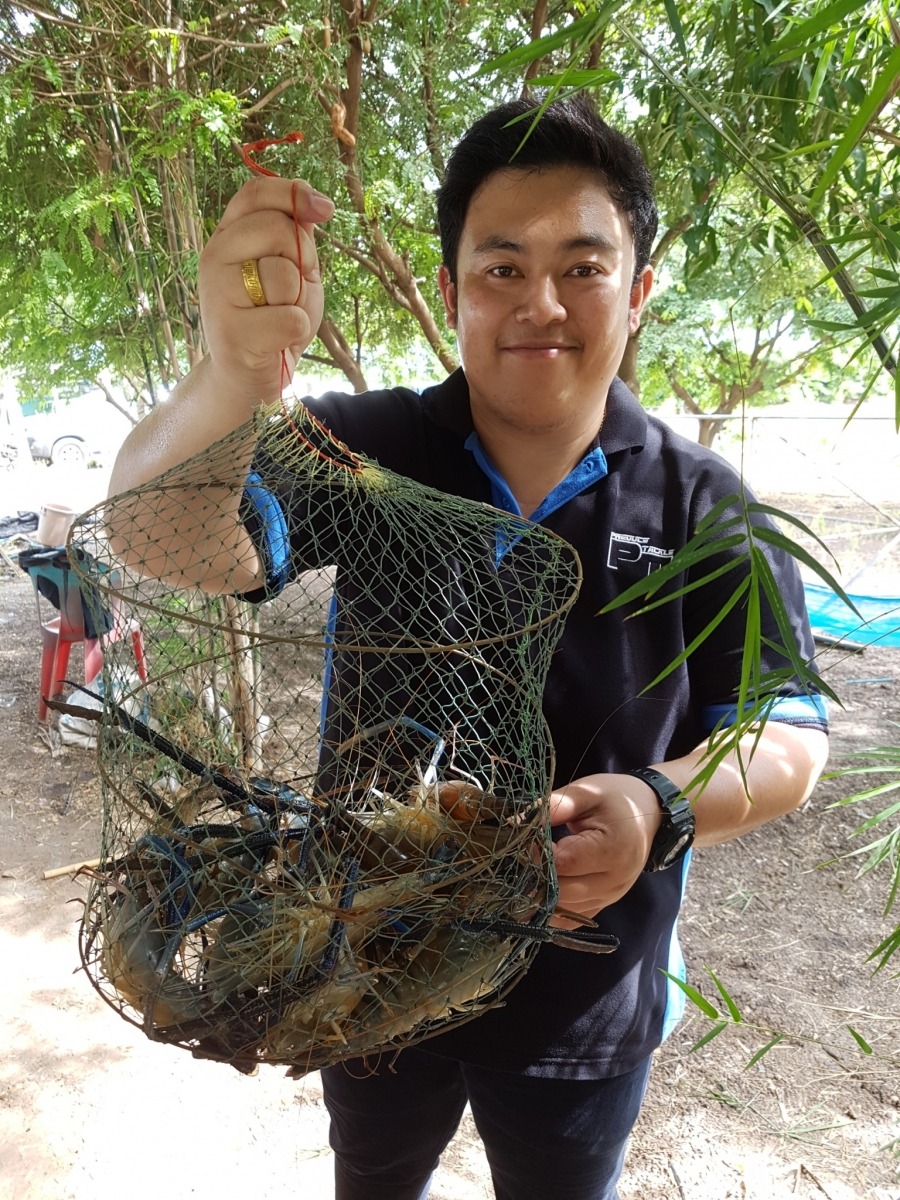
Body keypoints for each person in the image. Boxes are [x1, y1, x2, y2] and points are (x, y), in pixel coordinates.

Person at [108, 95, 829, 1200]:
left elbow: (784, 733)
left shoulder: (705, 506)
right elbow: (173, 539)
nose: (541, 301)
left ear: (636, 293)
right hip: (366, 970)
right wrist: (226, 378)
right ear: (451, 293)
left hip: (584, 996)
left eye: (583, 267)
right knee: (377, 1177)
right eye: (501, 268)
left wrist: (658, 805)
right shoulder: (370, 450)